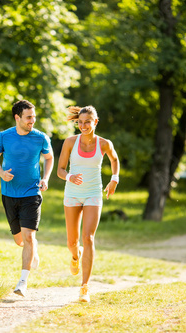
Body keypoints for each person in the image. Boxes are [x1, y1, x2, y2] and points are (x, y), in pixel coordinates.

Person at [0, 100, 54, 297]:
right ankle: (33, 249)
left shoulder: (40, 138)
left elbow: (49, 158)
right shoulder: (4, 136)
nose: (32, 121)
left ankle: (22, 282)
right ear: (17, 117)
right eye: (28, 117)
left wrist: (45, 178)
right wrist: (1, 173)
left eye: (34, 117)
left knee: (29, 236)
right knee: (20, 240)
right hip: (9, 193)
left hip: (32, 193)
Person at [57, 105, 119, 302]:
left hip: (93, 193)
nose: (83, 126)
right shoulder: (69, 142)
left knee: (88, 237)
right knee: (72, 243)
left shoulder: (104, 143)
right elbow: (60, 170)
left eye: (87, 122)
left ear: (95, 122)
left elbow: (114, 159)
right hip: (73, 194)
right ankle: (76, 257)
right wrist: (69, 177)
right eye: (80, 122)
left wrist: (114, 179)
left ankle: (85, 287)